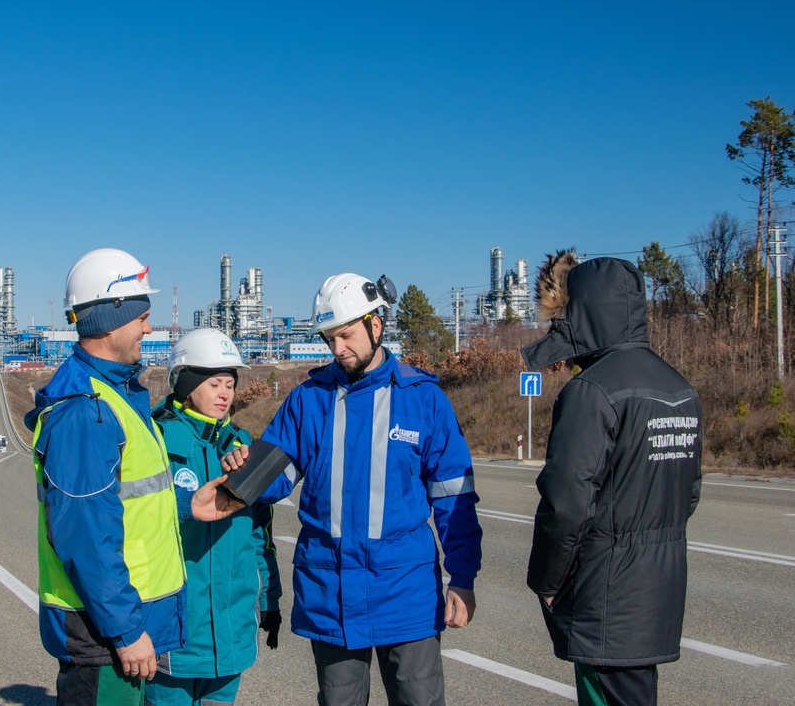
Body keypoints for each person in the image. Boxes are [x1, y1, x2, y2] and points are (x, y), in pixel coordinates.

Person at [224, 272, 483, 706]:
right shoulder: (308, 400)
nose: (337, 349)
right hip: (329, 593)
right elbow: (276, 476)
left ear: (375, 325)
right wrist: (240, 470)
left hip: (407, 595)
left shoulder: (424, 399)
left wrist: (463, 576)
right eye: (329, 339)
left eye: (345, 335)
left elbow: (453, 496)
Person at [25, 248, 242, 706]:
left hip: (121, 622)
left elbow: (129, 503)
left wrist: (188, 504)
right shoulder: (88, 411)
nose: (148, 327)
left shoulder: (116, 397)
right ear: (108, 317)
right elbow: (85, 536)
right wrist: (125, 631)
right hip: (105, 633)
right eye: (142, 316)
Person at [521, 252, 703, 706]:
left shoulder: (593, 391)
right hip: (657, 589)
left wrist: (547, 581)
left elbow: (565, 503)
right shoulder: (678, 388)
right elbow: (689, 492)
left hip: (603, 595)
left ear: (582, 313)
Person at [145, 328, 282, 706]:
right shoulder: (154, 440)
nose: (225, 394)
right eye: (214, 384)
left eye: (230, 384)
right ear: (186, 385)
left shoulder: (242, 447)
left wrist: (270, 598)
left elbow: (260, 533)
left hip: (231, 634)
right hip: (173, 634)